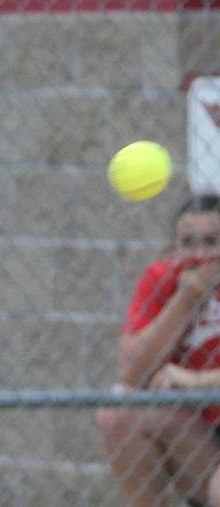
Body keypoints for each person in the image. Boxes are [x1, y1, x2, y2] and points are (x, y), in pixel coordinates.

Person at [97, 194, 220, 507]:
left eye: (212, 242)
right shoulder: (162, 279)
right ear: (174, 249)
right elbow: (132, 374)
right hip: (199, 436)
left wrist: (194, 381)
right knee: (117, 412)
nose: (200, 255)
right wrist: (185, 301)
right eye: (188, 243)